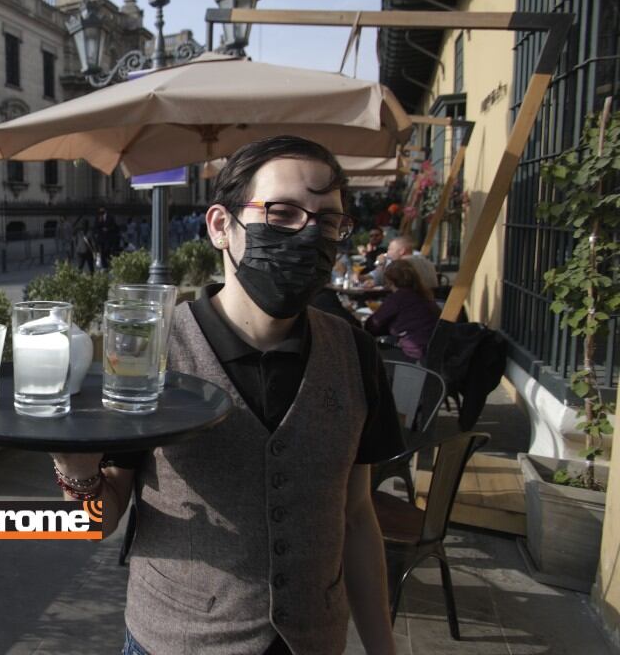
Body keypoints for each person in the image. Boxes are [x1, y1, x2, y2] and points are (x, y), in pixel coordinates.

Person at [51, 136, 402, 655]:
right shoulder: (150, 351)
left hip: (313, 640)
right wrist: (74, 469)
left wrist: (383, 647)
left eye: (327, 221)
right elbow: (95, 524)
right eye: (282, 213)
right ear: (221, 226)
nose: (308, 234)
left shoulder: (354, 352)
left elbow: (356, 515)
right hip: (173, 641)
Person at [364, 259, 440, 362]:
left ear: (389, 281)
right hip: (433, 353)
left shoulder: (398, 298)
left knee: (367, 352)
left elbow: (372, 326)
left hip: (414, 354)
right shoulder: (423, 295)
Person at [369, 234, 438, 292]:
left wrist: (380, 263)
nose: (388, 253)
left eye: (390, 249)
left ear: (402, 251)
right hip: (430, 301)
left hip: (410, 302)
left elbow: (379, 282)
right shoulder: (426, 261)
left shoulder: (401, 264)